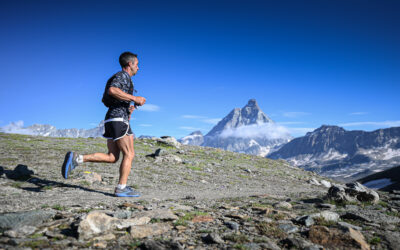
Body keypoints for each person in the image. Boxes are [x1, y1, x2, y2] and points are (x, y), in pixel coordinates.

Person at [61, 52, 146, 197]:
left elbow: (107, 98)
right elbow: (112, 90)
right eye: (137, 64)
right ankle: (121, 188)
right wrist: (134, 98)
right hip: (118, 119)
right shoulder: (122, 76)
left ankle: (78, 158)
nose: (139, 67)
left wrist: (129, 108)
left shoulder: (120, 78)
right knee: (129, 154)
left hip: (112, 119)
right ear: (130, 64)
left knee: (113, 157)